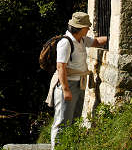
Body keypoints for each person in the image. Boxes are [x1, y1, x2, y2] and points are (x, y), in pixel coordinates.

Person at [46, 11, 107, 149]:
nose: (89, 29)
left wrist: (113, 39)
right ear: (80, 28)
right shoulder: (65, 43)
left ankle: (68, 146)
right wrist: (66, 90)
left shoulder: (82, 40)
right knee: (62, 121)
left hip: (79, 84)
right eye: (87, 26)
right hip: (67, 85)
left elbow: (97, 41)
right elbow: (60, 67)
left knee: (74, 119)